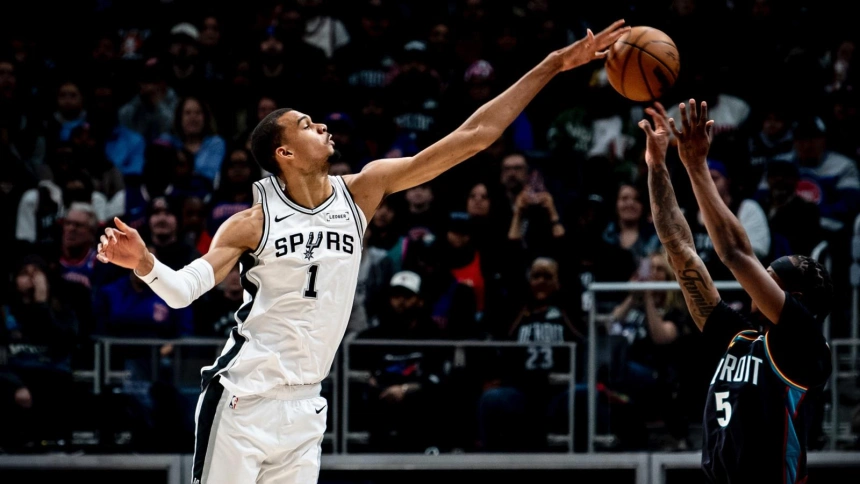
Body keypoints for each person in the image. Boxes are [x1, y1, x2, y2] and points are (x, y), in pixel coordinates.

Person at [95, 19, 631, 484]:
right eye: (306, 124)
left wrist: (553, 64)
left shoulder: (361, 191)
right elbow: (184, 291)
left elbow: (474, 135)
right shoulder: (250, 222)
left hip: (305, 405)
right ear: (284, 152)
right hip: (242, 400)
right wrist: (144, 263)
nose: (322, 125)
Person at [638, 100, 833, 483]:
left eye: (772, 277)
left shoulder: (804, 341)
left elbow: (735, 253)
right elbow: (680, 249)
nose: (762, 277)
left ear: (797, 300)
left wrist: (696, 167)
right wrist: (657, 165)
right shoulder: (740, 338)